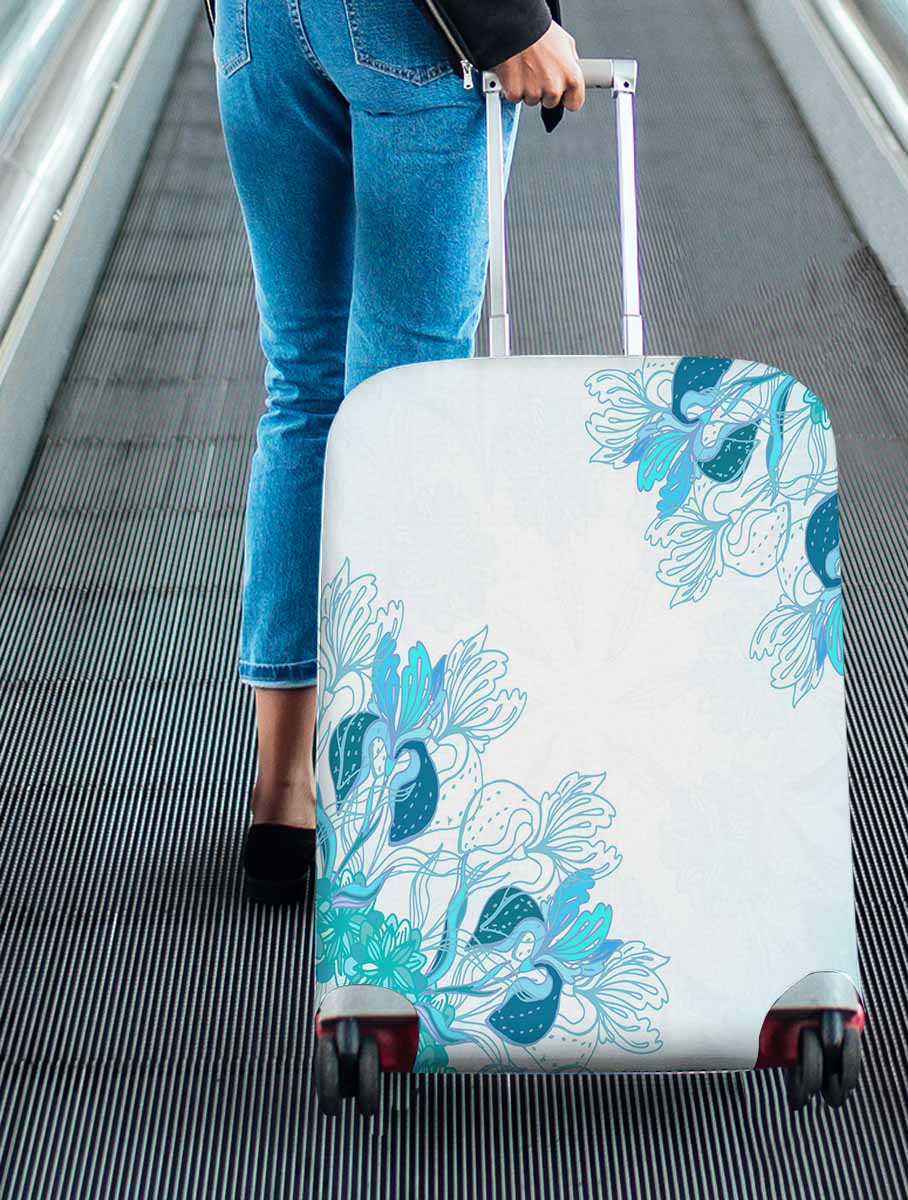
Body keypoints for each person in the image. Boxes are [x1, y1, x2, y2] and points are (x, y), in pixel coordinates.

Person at [212, 0, 585, 901]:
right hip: (409, 31)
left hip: (256, 29)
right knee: (403, 407)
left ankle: (285, 794)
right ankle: (381, 804)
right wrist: (510, 21)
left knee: (304, 389)